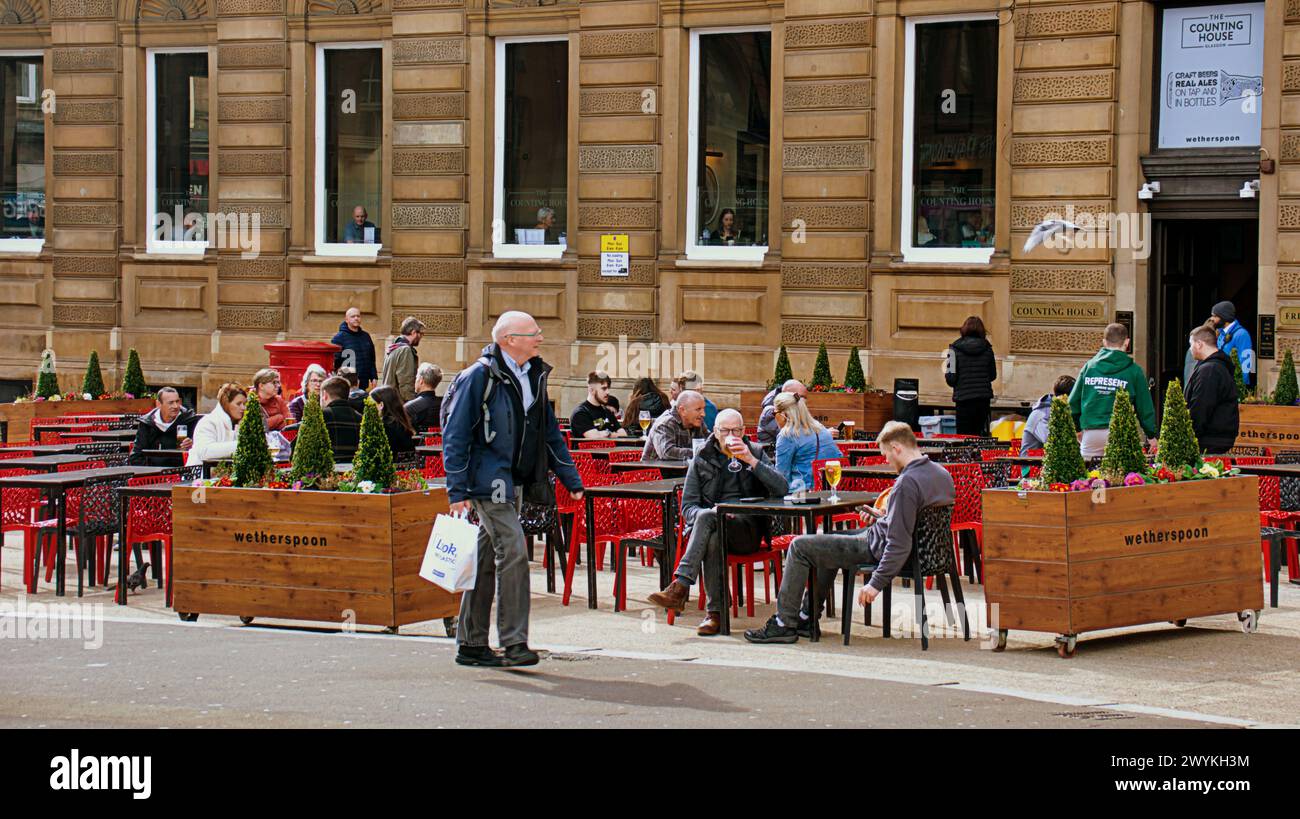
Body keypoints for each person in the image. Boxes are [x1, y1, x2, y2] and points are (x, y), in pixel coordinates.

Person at [443, 310, 583, 668]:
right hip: (486, 482)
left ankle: (471, 643)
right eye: (533, 333)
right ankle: (515, 641)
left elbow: (549, 432)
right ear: (509, 340)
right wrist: (457, 490)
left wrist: (571, 478)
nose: (540, 337)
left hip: (515, 480)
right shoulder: (478, 376)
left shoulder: (533, 375)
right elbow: (455, 434)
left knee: (488, 558)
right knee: (515, 551)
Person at [744, 421, 956, 644]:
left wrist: (876, 583)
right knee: (823, 543)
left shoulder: (907, 482)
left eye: (885, 454)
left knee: (800, 546)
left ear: (896, 448)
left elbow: (899, 543)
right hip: (922, 551)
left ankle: (784, 623)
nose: (886, 460)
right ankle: (807, 617)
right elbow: (915, 524)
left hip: (876, 547)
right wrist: (881, 516)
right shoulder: (941, 474)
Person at [647, 409, 788, 635]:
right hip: (713, 528)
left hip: (747, 530)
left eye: (735, 431)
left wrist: (751, 461)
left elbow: (782, 489)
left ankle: (682, 587)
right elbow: (688, 507)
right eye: (725, 431)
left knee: (709, 521)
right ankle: (715, 615)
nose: (730, 436)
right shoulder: (702, 457)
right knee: (711, 530)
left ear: (743, 432)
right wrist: (711, 514)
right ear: (715, 431)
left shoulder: (755, 452)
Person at [1068, 322, 1157, 457]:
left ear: (1104, 342)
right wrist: (1151, 435)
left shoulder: (1089, 367)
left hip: (1092, 431)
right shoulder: (1134, 371)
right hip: (1121, 432)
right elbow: (1144, 408)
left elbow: (1073, 402)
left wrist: (1077, 429)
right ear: (1127, 342)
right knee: (1123, 476)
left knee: (1087, 474)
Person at [1186, 325, 1240, 455]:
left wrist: (1188, 437)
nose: (1190, 349)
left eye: (1191, 344)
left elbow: (1201, 407)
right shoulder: (1215, 366)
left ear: (1199, 344)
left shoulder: (1209, 370)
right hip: (1216, 439)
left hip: (1209, 441)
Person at [773, 392, 841, 493]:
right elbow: (838, 456)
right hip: (831, 490)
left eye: (774, 413)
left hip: (802, 494)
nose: (773, 417)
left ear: (783, 415)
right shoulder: (821, 428)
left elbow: (781, 476)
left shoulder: (787, 435)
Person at [945, 316, 997, 436]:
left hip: (963, 400)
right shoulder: (987, 349)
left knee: (963, 438)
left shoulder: (954, 350)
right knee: (979, 436)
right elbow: (993, 375)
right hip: (983, 400)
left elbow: (951, 379)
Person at [128, 387, 197, 465]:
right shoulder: (147, 423)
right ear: (159, 404)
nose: (175, 406)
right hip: (153, 473)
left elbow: (200, 451)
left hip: (180, 470)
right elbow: (135, 456)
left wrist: (193, 444)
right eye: (170, 403)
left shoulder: (189, 420)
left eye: (177, 401)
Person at [186, 383, 246, 467]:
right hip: (201, 475)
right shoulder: (208, 422)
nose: (243, 408)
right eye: (238, 404)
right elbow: (205, 451)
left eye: (244, 404)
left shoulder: (240, 424)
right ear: (226, 403)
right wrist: (241, 445)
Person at [642, 390, 708, 461]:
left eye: (703, 409)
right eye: (698, 409)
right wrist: (698, 453)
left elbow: (709, 443)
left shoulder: (697, 422)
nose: (703, 414)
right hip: (655, 471)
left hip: (683, 470)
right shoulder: (665, 423)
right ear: (682, 410)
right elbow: (667, 452)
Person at [1020, 376, 1076, 454]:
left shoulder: (1059, 410)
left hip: (1046, 461)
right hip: (1029, 464)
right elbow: (1052, 442)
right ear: (1066, 398)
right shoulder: (1042, 414)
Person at [571, 371, 628, 440]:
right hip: (591, 450)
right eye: (603, 388)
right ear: (591, 390)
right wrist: (611, 433)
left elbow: (624, 435)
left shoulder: (607, 412)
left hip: (611, 449)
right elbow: (594, 437)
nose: (608, 392)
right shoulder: (581, 413)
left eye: (608, 388)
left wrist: (607, 434)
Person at [330, 307, 378, 389]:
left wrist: (374, 376)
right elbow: (334, 363)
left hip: (364, 383)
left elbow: (371, 360)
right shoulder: (339, 338)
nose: (356, 318)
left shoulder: (366, 336)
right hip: (348, 384)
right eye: (352, 316)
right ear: (346, 319)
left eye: (358, 316)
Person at [1210, 300, 1254, 386]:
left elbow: (1247, 365)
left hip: (1234, 385)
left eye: (1215, 316)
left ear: (1224, 317)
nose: (1212, 319)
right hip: (1221, 383)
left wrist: (1239, 386)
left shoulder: (1242, 334)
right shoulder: (1219, 333)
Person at [381, 316, 423, 403]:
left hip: (388, 401)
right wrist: (412, 403)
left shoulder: (392, 348)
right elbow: (405, 383)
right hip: (398, 406)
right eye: (421, 334)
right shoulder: (405, 350)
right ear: (414, 332)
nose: (421, 337)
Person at [318, 375, 362, 456]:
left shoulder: (319, 416)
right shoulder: (361, 418)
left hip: (327, 467)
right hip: (354, 467)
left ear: (325, 395)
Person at [758, 379, 807, 450]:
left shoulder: (791, 409)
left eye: (805, 398)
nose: (804, 401)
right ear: (787, 394)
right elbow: (790, 436)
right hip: (770, 456)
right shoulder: (771, 412)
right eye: (800, 397)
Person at [370, 385, 417, 455]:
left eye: (371, 403)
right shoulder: (401, 422)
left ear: (381, 405)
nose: (368, 407)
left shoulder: (384, 426)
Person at [404, 363, 443, 431]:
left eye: (416, 378)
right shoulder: (444, 403)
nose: (415, 381)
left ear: (421, 380)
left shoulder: (410, 407)